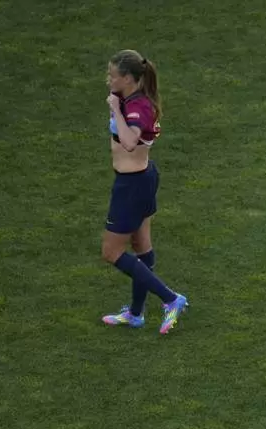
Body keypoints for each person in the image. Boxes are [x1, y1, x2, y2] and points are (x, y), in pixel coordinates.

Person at [99, 50, 188, 335]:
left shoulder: (138, 107)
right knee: (142, 249)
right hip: (142, 178)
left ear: (128, 78)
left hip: (132, 185)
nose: (108, 79)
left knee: (111, 251)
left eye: (113, 75)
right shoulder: (131, 98)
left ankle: (171, 299)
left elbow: (128, 141)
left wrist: (115, 109)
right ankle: (136, 314)